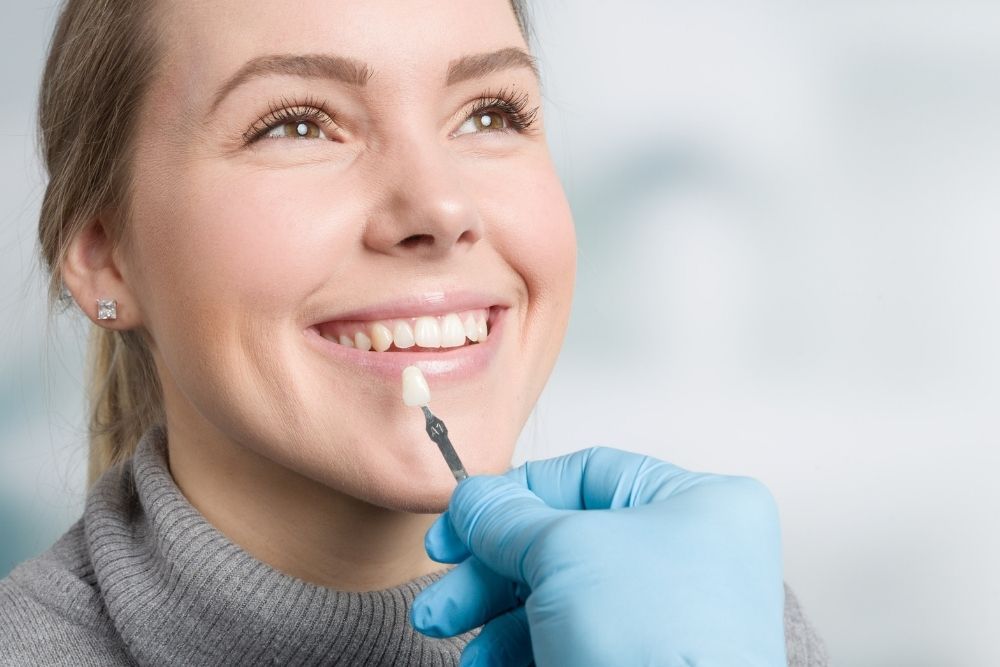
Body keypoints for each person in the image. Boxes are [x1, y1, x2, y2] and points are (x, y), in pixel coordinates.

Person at [0, 1, 827, 665]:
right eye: (296, 124)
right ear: (106, 258)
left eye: (489, 113)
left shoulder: (718, 628)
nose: (439, 206)